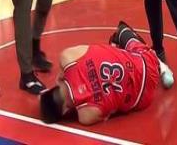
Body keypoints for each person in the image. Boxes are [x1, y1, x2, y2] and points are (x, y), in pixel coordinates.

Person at [40, 21, 170, 125]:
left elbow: (107, 114)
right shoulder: (67, 57)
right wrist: (65, 75)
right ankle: (160, 64)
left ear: (64, 110)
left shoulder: (86, 115)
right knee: (121, 31)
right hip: (146, 62)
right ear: (54, 87)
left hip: (143, 98)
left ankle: (159, 67)